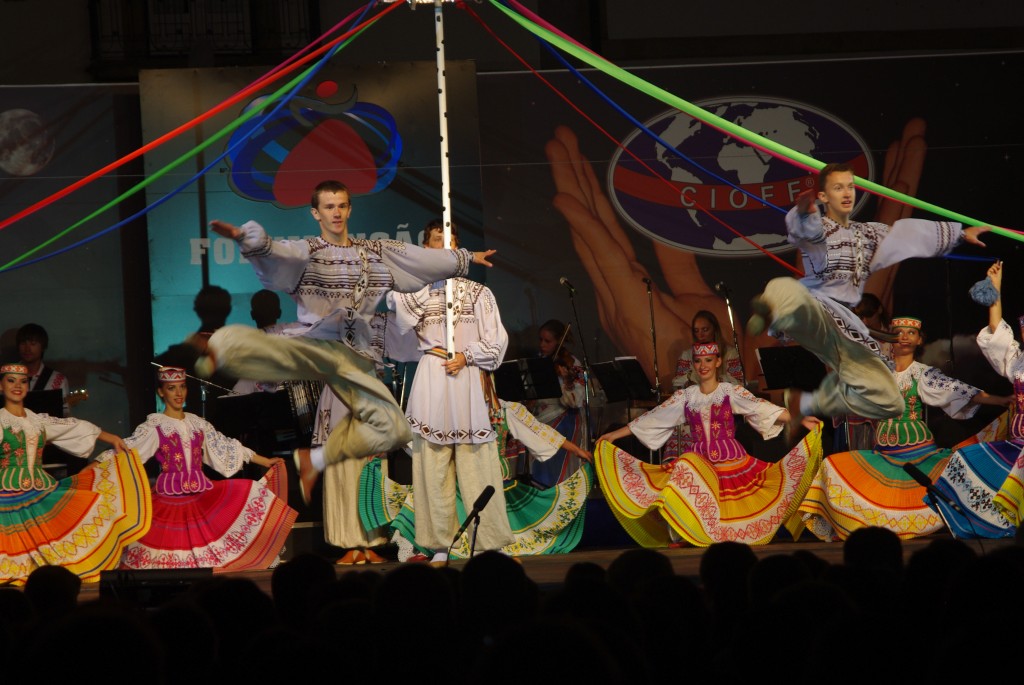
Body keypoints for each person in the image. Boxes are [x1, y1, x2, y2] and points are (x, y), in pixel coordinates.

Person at [202, 181, 496, 503]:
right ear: (316, 212)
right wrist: (246, 238)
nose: (337, 212)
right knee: (257, 348)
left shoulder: (375, 252)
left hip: (355, 353)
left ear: (350, 209)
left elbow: (419, 259)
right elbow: (278, 253)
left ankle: (312, 461)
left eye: (341, 205)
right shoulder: (308, 251)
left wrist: (466, 258)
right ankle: (217, 348)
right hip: (317, 342)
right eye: (329, 207)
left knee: (394, 429)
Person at [746, 162, 991, 433]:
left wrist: (959, 234)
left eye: (850, 186)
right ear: (824, 197)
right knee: (788, 290)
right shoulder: (820, 230)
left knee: (890, 402)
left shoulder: (868, 233)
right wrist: (804, 212)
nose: (847, 193)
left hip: (847, 327)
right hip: (815, 307)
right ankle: (773, 311)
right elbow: (804, 227)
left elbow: (907, 236)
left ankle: (805, 402)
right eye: (838, 188)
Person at [799, 317, 1011, 541]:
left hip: (920, 453)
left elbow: (958, 391)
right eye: (898, 332)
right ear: (889, 339)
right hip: (884, 454)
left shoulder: (923, 374)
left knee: (961, 468)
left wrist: (1000, 400)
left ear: (919, 340)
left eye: (911, 333)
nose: (904, 337)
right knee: (832, 465)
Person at [593, 341, 823, 547]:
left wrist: (799, 419)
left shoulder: (729, 392)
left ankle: (719, 536)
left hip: (730, 459)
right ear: (693, 364)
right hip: (700, 461)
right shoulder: (686, 396)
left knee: (733, 506)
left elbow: (762, 407)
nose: (703, 365)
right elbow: (653, 418)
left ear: (718, 362)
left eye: (708, 360)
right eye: (698, 361)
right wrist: (615, 435)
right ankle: (688, 532)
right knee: (683, 470)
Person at [387, 219, 514, 562]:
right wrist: (421, 284)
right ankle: (439, 546)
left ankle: (490, 545)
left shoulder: (479, 293)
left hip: (467, 379)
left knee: (478, 465)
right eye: (436, 243)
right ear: (425, 248)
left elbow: (497, 345)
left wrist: (467, 355)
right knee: (432, 468)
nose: (443, 249)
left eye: (450, 243)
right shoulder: (411, 293)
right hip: (432, 376)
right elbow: (399, 331)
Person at [359, 395, 594, 561]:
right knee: (420, 498)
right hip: (459, 481)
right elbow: (415, 435)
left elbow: (541, 433)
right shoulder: (450, 411)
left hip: (492, 484)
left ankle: (470, 548)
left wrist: (579, 451)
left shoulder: (504, 409)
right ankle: (432, 549)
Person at [112, 366, 297, 570]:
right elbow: (128, 450)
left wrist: (264, 461)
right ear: (161, 392)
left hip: (201, 492)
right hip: (168, 497)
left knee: (248, 491)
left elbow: (225, 446)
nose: (178, 393)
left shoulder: (197, 423)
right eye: (172, 388)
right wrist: (98, 466)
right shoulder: (154, 426)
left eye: (182, 387)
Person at [0, 363, 150, 585]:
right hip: (7, 493)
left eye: (22, 381)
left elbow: (73, 426)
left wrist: (111, 438)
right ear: (1, 386)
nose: (17, 386)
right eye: (11, 381)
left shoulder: (37, 421)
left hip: (39, 489)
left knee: (91, 505)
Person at [931, 261, 1022, 537]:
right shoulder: (1018, 361)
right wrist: (995, 288)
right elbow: (997, 333)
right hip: (1017, 444)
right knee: (964, 459)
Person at [664, 310, 744, 460]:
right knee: (678, 431)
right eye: (696, 331)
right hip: (694, 413)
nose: (701, 334)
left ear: (714, 329)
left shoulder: (730, 353)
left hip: (722, 414)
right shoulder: (688, 355)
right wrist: (691, 378)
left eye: (705, 329)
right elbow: (677, 382)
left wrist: (715, 379)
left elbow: (739, 382)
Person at [527, 319, 588, 487]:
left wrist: (567, 381)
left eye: (548, 341)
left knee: (552, 435)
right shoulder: (538, 361)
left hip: (564, 415)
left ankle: (551, 486)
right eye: (541, 340)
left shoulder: (572, 363)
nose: (542, 345)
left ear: (559, 341)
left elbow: (575, 401)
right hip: (540, 415)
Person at [16, 323, 71, 416]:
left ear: (43, 347)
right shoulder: (5, 376)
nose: (27, 349)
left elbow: (65, 415)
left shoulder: (58, 380)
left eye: (33, 343)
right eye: (23, 343)